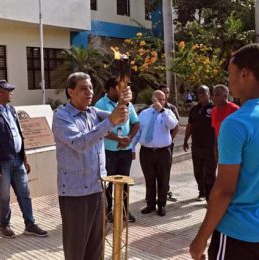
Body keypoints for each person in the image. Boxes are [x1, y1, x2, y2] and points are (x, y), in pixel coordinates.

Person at [190, 43, 259, 260]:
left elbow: (224, 190)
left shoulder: (236, 123)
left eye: (230, 73)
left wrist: (200, 239)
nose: (228, 80)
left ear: (244, 74)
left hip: (236, 234)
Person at [53, 72, 131, 260]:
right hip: (75, 192)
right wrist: (111, 120)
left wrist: (123, 103)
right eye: (83, 88)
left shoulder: (93, 112)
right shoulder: (62, 116)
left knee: (96, 247)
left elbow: (122, 119)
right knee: (76, 248)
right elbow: (80, 143)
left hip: (97, 188)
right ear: (70, 91)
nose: (89, 92)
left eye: (90, 88)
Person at [0, 80, 47, 238]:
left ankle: (30, 224)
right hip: (1, 162)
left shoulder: (12, 110)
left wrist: (25, 158)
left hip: (18, 159)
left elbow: (19, 136)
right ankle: (4, 225)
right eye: (8, 90)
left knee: (24, 193)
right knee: (4, 195)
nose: (12, 93)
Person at [95, 76, 140, 223]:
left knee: (124, 181)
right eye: (121, 88)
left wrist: (129, 138)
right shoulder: (100, 104)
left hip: (125, 150)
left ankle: (124, 210)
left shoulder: (127, 104)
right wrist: (118, 139)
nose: (124, 91)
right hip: (109, 151)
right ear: (112, 89)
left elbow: (136, 123)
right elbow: (100, 129)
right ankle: (108, 211)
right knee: (108, 182)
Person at [132, 90, 178, 216]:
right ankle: (150, 204)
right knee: (150, 179)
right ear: (153, 100)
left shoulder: (168, 113)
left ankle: (161, 205)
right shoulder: (144, 113)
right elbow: (138, 132)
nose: (162, 102)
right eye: (159, 99)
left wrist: (162, 112)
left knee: (163, 179)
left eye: (163, 100)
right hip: (147, 152)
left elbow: (173, 125)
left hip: (163, 152)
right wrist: (132, 148)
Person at [183, 85, 216, 202]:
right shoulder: (195, 109)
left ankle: (210, 196)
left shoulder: (215, 108)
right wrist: (186, 139)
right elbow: (190, 125)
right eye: (199, 93)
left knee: (210, 172)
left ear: (209, 94)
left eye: (204, 92)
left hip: (211, 147)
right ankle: (201, 192)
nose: (201, 95)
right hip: (196, 146)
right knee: (198, 171)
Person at [159, 84, 179, 202]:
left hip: (167, 145)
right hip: (154, 147)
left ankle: (166, 190)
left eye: (167, 93)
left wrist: (169, 140)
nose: (165, 95)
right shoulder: (149, 108)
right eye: (163, 92)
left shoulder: (171, 108)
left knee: (166, 169)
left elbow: (175, 126)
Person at [211, 84, 239, 161]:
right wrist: (215, 150)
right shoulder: (213, 111)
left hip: (234, 150)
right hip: (221, 150)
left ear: (225, 95)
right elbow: (215, 132)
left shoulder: (235, 110)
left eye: (217, 94)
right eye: (213, 95)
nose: (214, 97)